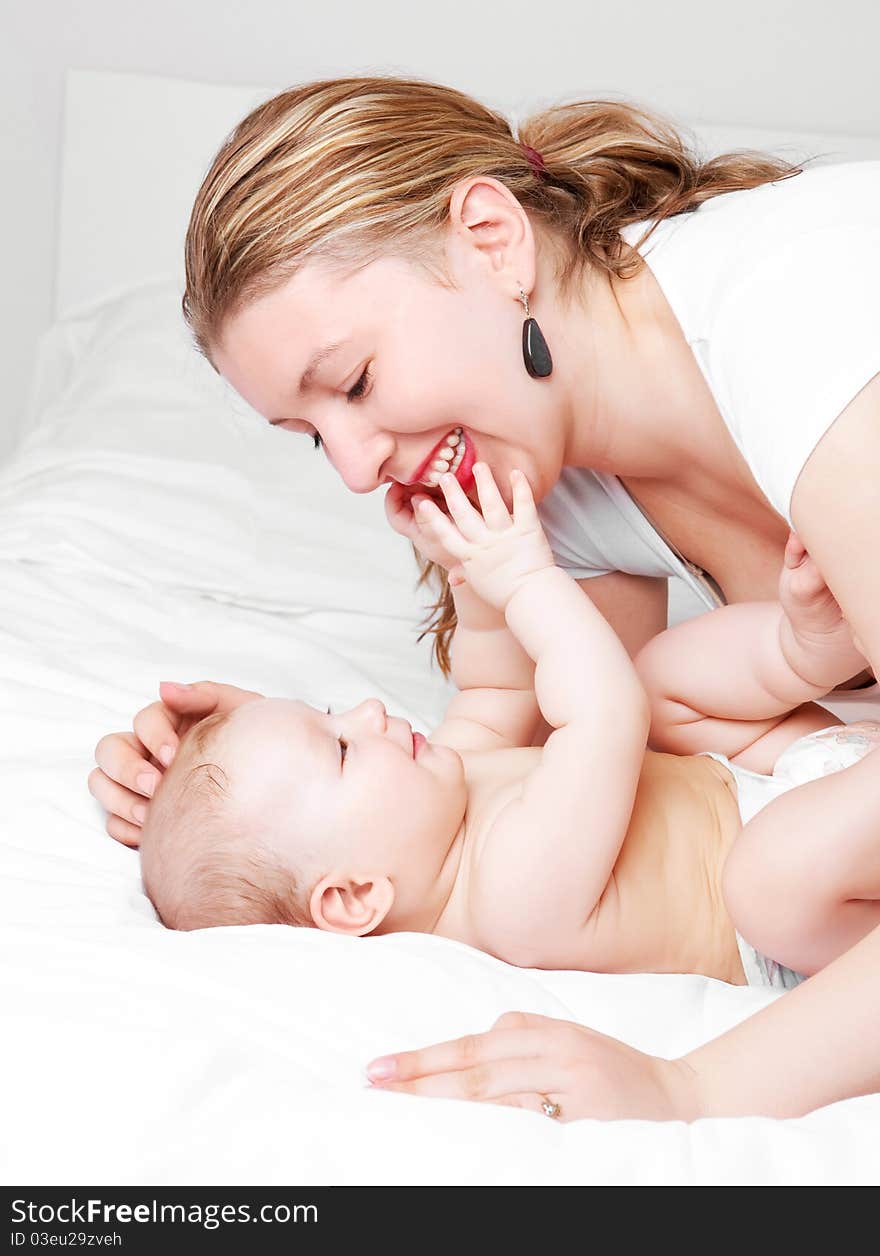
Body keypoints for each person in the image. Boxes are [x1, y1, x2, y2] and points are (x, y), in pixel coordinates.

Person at [88, 76, 880, 1119]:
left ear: (494, 240)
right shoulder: (564, 488)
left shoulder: (796, 318)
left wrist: (688, 1086)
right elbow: (525, 747)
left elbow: (590, 721)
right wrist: (230, 780)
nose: (359, 469)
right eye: (313, 433)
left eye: (357, 383)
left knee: (769, 869)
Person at [139, 463, 880, 1012]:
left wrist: (465, 566)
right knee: (764, 880)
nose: (365, 713)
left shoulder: (450, 788)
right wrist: (525, 579)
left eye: (332, 710)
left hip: (799, 781)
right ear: (355, 896)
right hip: (814, 924)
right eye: (339, 749)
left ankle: (804, 648)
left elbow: (496, 687)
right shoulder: (510, 901)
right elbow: (602, 713)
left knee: (661, 681)